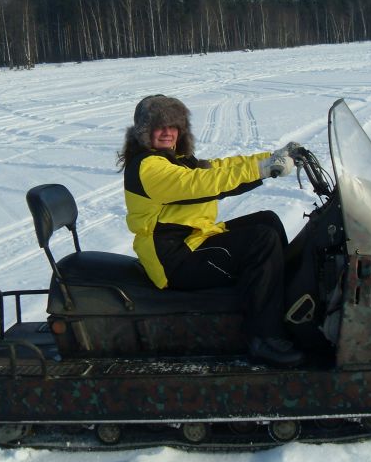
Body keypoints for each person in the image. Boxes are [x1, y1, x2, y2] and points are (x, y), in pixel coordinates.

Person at [118, 94, 304, 367]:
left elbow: (220, 167)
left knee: (268, 221)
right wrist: (263, 170)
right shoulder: (148, 167)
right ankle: (263, 336)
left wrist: (273, 157)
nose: (168, 132)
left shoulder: (175, 159)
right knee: (260, 241)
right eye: (159, 126)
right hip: (173, 258)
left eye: (173, 125)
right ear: (145, 132)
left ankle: (285, 308)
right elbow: (204, 183)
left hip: (194, 239)